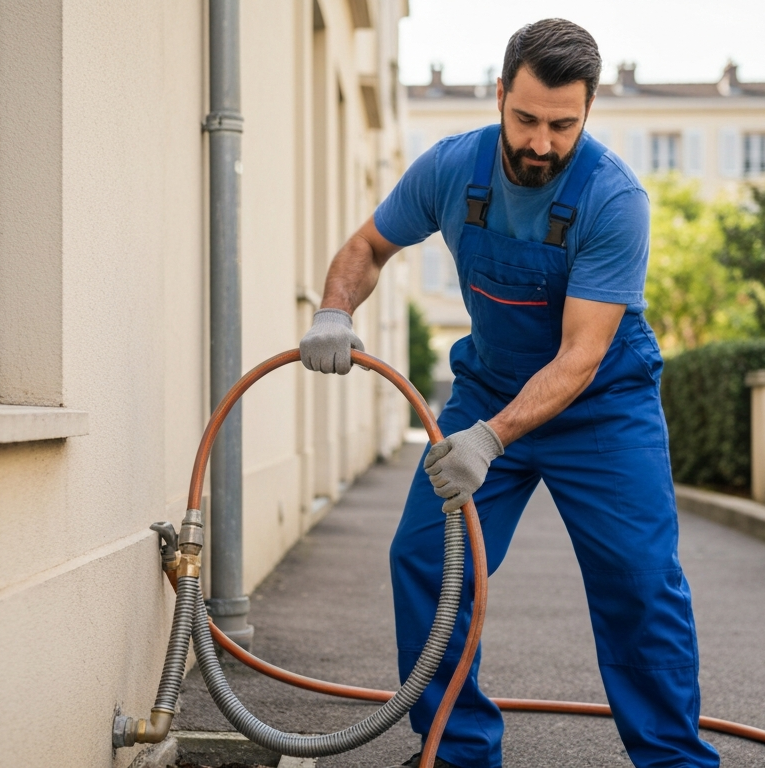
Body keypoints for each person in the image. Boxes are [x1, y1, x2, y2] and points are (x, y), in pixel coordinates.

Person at [298, 18, 720, 768]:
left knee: (638, 580)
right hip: (490, 385)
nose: (540, 142)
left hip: (601, 404)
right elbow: (367, 246)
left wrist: (493, 438)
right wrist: (335, 308)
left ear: (588, 113)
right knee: (426, 558)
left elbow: (581, 356)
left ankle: (672, 761)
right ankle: (456, 753)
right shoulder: (451, 170)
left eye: (563, 125)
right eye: (526, 119)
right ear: (499, 95)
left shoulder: (612, 198)